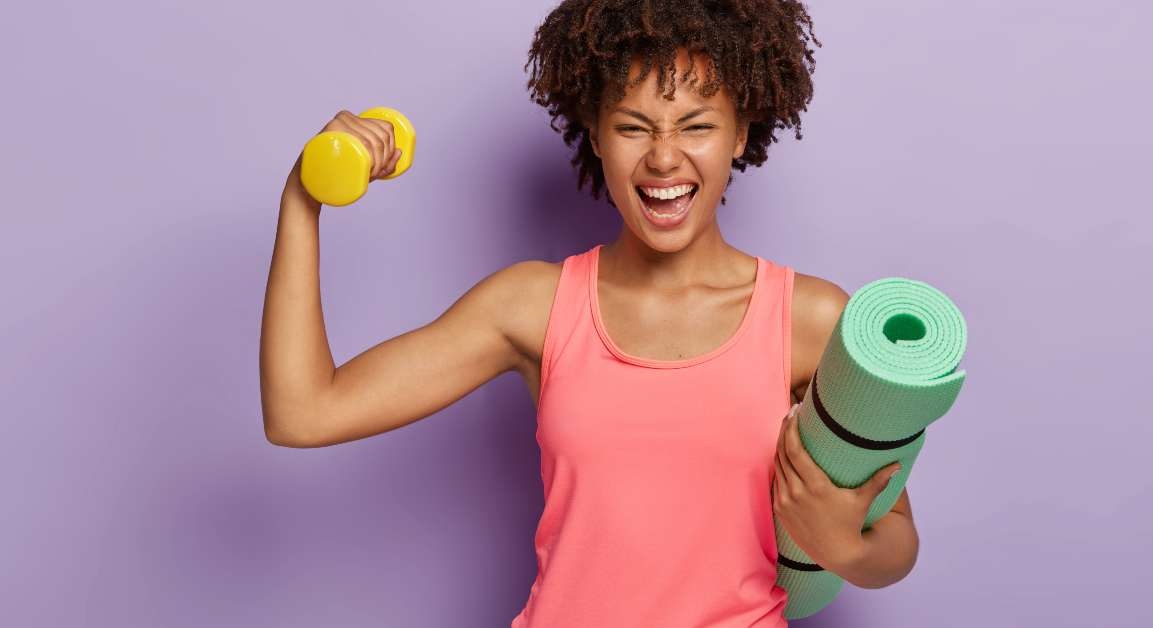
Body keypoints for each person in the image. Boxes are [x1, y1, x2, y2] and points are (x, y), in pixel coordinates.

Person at [260, 1, 917, 625]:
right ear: (596, 134)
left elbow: (894, 542)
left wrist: (850, 547)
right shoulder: (533, 306)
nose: (663, 157)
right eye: (633, 126)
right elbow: (304, 411)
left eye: (697, 126)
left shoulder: (810, 320)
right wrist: (301, 201)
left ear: (740, 133)